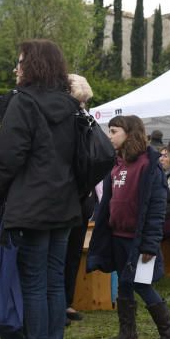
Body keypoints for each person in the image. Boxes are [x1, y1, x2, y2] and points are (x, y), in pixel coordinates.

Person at [0, 39, 81, 339]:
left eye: (20, 62)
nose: (16, 68)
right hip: (64, 206)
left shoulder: (23, 103)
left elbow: (6, 158)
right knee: (54, 286)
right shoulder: (71, 106)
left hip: (32, 207)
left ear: (33, 65)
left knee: (36, 286)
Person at [88, 114, 170, 339]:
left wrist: (150, 244)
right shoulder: (116, 163)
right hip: (117, 236)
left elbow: (157, 207)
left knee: (142, 284)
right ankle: (127, 335)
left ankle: (169, 334)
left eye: (114, 131)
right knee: (124, 286)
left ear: (129, 133)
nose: (110, 137)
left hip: (138, 240)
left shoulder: (149, 165)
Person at [63, 74, 99, 325]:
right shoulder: (62, 122)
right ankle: (58, 303)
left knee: (72, 251)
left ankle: (65, 301)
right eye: (79, 101)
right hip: (64, 196)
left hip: (80, 197)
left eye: (85, 102)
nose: (82, 107)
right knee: (59, 252)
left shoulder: (84, 123)